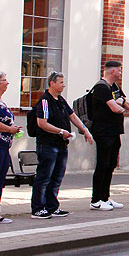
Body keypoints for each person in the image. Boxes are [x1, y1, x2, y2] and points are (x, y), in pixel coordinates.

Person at [31, 71, 93, 219]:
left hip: (61, 144)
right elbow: (42, 123)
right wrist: (60, 132)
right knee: (44, 176)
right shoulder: (45, 101)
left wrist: (85, 130)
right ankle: (38, 208)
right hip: (48, 144)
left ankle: (52, 206)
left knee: (57, 177)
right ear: (52, 83)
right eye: (60, 82)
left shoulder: (61, 100)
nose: (63, 85)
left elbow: (72, 116)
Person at [88, 60, 129, 211]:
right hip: (103, 132)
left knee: (111, 164)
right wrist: (119, 102)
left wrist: (121, 101)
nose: (121, 73)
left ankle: (105, 197)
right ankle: (96, 199)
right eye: (120, 70)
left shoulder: (115, 87)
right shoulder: (101, 87)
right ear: (112, 71)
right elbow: (116, 109)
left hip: (114, 131)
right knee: (103, 164)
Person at [0, 70, 22, 224]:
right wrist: (10, 129)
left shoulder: (0, 101)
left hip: (4, 145)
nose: (7, 83)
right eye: (4, 80)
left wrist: (12, 129)